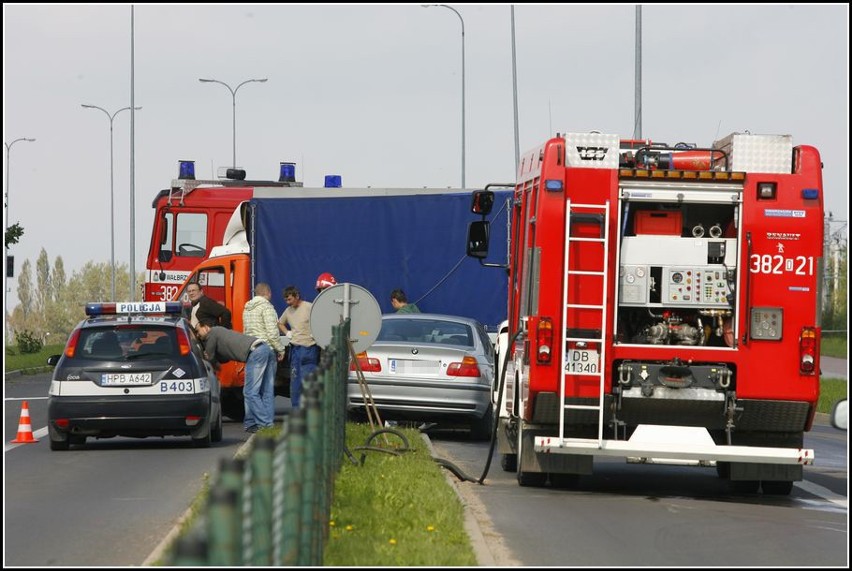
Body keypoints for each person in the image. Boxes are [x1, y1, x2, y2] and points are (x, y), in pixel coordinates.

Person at [194, 319, 275, 433]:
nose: (197, 335)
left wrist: (206, 356)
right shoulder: (220, 333)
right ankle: (251, 423)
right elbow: (223, 359)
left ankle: (266, 425)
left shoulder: (212, 333)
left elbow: (211, 359)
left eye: (197, 331)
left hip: (255, 353)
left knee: (250, 392)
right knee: (265, 392)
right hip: (264, 348)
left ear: (206, 327)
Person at [278, 285, 319, 408]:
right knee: (295, 383)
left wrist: (316, 333)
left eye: (290, 299)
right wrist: (287, 332)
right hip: (295, 350)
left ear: (297, 296)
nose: (288, 302)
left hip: (309, 349)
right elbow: (280, 323)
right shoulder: (288, 310)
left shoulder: (309, 307)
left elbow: (320, 320)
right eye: (286, 300)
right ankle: (297, 410)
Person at [243, 282, 286, 364]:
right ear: (268, 293)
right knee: (268, 377)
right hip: (265, 349)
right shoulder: (267, 307)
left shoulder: (247, 308)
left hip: (251, 348)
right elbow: (272, 333)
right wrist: (281, 349)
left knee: (254, 377)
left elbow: (245, 330)